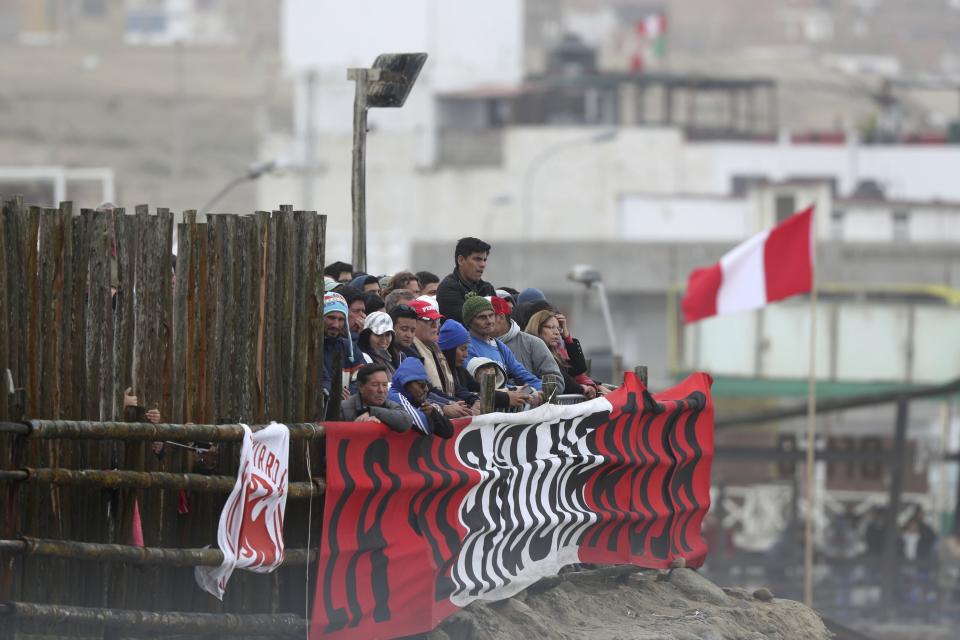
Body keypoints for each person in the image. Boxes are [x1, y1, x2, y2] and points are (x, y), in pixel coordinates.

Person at [462, 293, 543, 401]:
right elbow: (481, 386)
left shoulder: (500, 346)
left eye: (491, 315)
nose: (489, 321)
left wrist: (540, 390)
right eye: (482, 317)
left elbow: (523, 374)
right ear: (470, 321)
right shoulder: (466, 346)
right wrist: (518, 391)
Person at [409, 298, 472, 417]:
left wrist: (472, 400)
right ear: (413, 323)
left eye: (436, 320)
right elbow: (425, 390)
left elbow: (451, 384)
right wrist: (448, 404)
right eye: (429, 320)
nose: (435, 325)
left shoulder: (434, 348)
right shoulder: (411, 351)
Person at [440, 320, 520, 410]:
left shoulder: (459, 370)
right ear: (450, 350)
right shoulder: (440, 372)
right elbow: (462, 393)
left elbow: (478, 388)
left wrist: (512, 391)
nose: (466, 354)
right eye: (462, 349)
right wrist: (506, 398)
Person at [525, 310, 600, 398]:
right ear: (537, 328)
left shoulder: (554, 353)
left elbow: (579, 368)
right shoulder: (533, 352)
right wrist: (582, 389)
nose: (557, 333)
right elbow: (563, 379)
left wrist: (567, 336)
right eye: (551, 327)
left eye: (558, 328)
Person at [494, 296, 561, 384]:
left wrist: (527, 393)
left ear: (501, 317)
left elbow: (556, 382)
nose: (557, 333)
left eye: (490, 316)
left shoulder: (532, 343)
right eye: (550, 327)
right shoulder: (473, 343)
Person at [388, 358, 454, 438]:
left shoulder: (416, 400)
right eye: (421, 385)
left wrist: (433, 413)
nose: (426, 389)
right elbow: (426, 428)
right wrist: (430, 415)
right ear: (405, 383)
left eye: (427, 385)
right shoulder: (394, 395)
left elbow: (448, 432)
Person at [436, 237, 495, 323]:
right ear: (460, 260)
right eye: (477, 259)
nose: (483, 264)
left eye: (484, 260)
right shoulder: (448, 289)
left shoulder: (487, 288)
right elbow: (468, 323)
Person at [341, 364, 414, 433]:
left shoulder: (389, 405)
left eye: (385, 385)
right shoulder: (342, 408)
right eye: (375, 385)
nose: (381, 390)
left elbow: (406, 421)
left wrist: (372, 412)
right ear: (360, 387)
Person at [322, 291, 364, 401]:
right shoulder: (308, 346)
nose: (336, 325)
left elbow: (363, 378)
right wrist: (332, 390)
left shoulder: (349, 348)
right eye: (331, 318)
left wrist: (349, 396)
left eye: (341, 319)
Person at [357, 311, 397, 376]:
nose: (384, 340)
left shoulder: (393, 359)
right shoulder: (363, 359)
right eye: (378, 334)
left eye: (388, 335)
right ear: (367, 335)